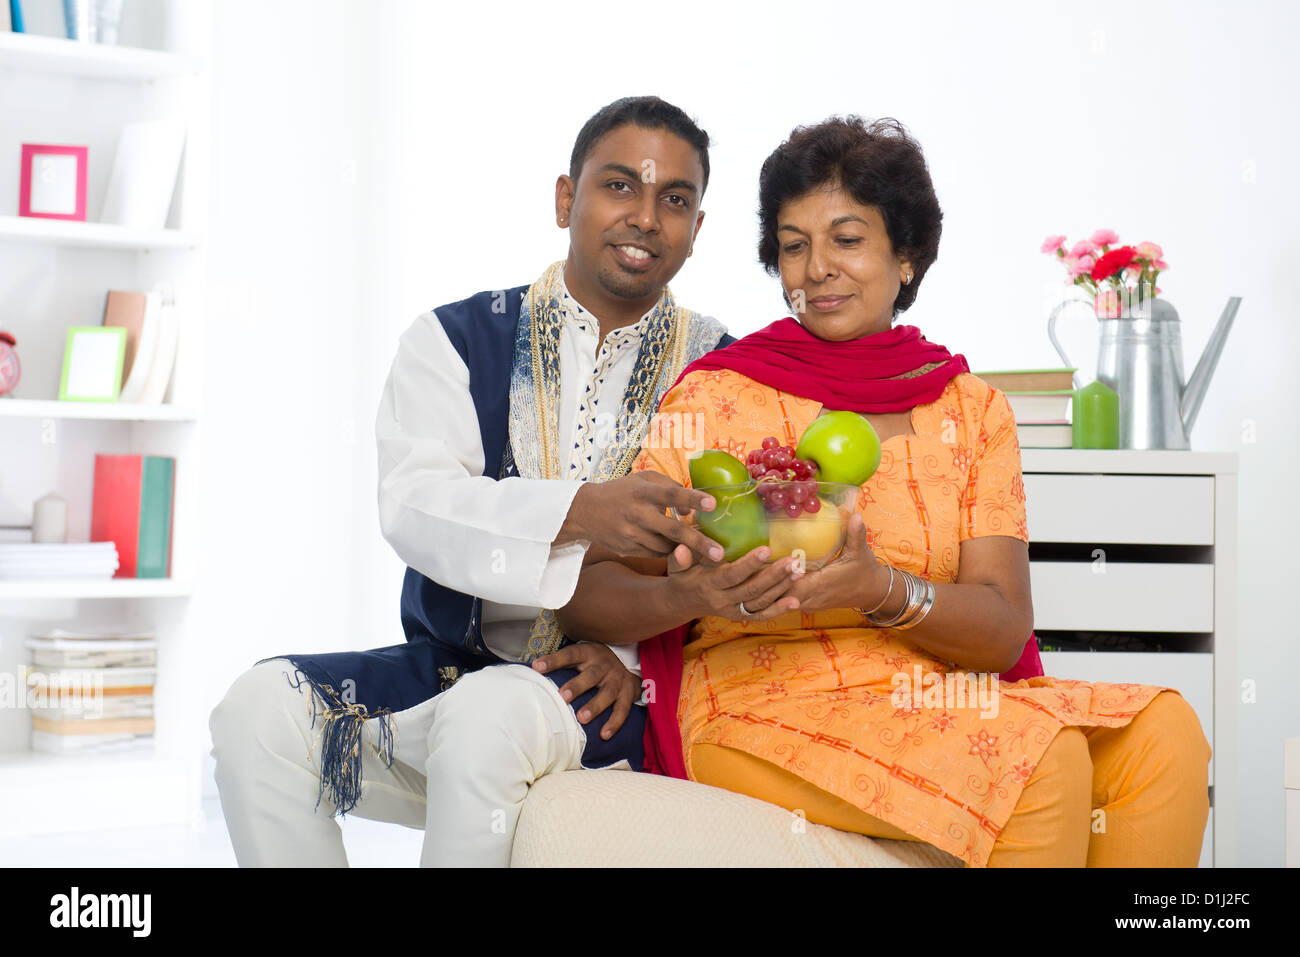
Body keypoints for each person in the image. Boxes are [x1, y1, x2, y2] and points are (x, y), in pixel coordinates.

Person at [557, 116, 1211, 867]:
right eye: (794, 245)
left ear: (905, 256)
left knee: (1165, 733)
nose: (816, 269)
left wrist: (882, 588)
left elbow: (1002, 627)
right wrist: (693, 594)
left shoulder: (970, 409)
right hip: (762, 704)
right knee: (1042, 764)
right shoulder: (716, 397)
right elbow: (590, 588)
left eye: (847, 238)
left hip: (936, 698)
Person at [207, 96, 744, 867]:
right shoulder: (455, 339)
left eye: (675, 199)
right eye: (620, 185)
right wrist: (582, 512)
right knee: (258, 710)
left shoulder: (727, 372)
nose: (646, 217)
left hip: (618, 693)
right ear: (568, 196)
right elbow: (418, 503)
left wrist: (632, 661)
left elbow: (737, 559)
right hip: (454, 666)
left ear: (697, 228)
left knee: (486, 719)